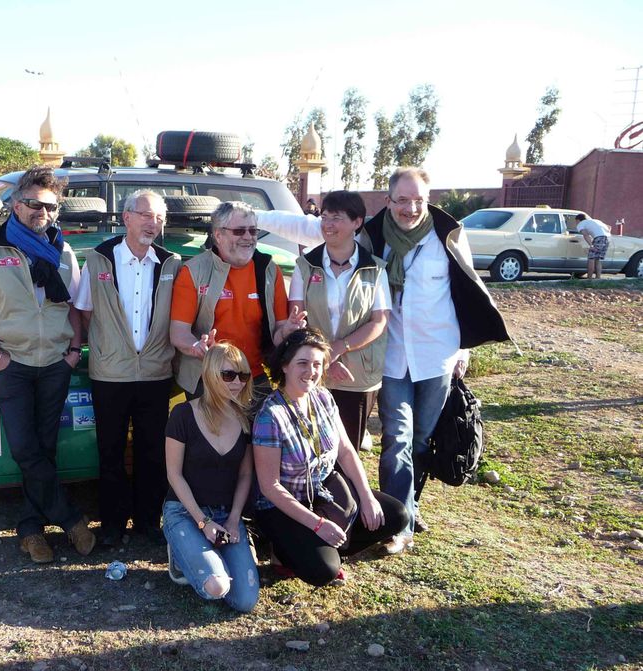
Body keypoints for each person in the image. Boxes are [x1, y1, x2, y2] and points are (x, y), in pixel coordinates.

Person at [358, 167, 509, 553]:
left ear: (428, 200)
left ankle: (411, 505)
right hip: (392, 354)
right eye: (403, 200)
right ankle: (397, 524)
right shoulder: (374, 237)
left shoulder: (448, 236)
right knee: (397, 439)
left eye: (418, 200)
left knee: (422, 439)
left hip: (437, 353)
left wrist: (464, 348)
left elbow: (466, 290)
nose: (410, 208)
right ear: (388, 201)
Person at [0, 166, 95, 563]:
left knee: (44, 450)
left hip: (54, 363)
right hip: (12, 364)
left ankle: (32, 531)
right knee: (24, 449)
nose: (42, 212)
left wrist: (74, 350)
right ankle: (71, 519)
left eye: (50, 206)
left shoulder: (63, 252)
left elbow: (73, 307)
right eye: (34, 203)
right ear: (17, 205)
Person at [252, 329, 410, 585]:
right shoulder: (271, 416)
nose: (311, 371)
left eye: (317, 364)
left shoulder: (323, 397)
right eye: (302, 363)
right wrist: (317, 525)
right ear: (285, 365)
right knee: (322, 572)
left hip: (325, 493)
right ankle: (284, 550)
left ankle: (321, 546)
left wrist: (367, 497)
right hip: (286, 505)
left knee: (396, 515)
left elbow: (346, 452)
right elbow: (270, 487)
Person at [74, 190, 181, 547]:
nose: (154, 224)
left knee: (153, 452)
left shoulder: (170, 263)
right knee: (111, 451)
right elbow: (84, 312)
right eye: (147, 216)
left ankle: (150, 522)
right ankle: (113, 525)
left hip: (155, 373)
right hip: (110, 374)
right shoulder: (99, 259)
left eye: (160, 218)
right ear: (127, 218)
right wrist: (105, 347)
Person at [258, 191, 390, 451]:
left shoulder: (374, 268)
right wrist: (325, 359)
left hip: (357, 373)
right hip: (312, 372)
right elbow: (298, 317)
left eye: (337, 218)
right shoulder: (305, 265)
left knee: (347, 449)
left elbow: (379, 321)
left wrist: (339, 348)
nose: (328, 225)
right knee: (310, 447)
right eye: (325, 217)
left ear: (357, 222)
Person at [170, 201, 306, 406]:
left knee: (257, 437)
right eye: (239, 231)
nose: (248, 237)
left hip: (255, 376)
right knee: (216, 437)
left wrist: (287, 330)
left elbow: (278, 332)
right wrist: (196, 347)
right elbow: (178, 333)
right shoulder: (193, 271)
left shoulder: (268, 270)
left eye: (253, 230)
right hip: (208, 376)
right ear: (218, 235)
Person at [162, 342, 259, 612]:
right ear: (210, 374)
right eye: (228, 375)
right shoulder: (182, 414)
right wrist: (203, 523)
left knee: (244, 601)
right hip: (185, 512)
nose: (237, 383)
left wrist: (234, 518)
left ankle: (207, 553)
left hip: (226, 514)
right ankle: (181, 552)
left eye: (243, 375)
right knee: (216, 587)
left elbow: (245, 474)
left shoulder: (245, 419)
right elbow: (174, 473)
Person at [575, 213, 609, 279]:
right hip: (607, 239)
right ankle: (598, 278)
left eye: (576, 222)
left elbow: (585, 234)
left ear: (578, 220)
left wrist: (591, 245)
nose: (576, 223)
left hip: (599, 238)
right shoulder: (596, 221)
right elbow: (609, 227)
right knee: (598, 259)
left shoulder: (581, 224)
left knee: (591, 258)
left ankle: (589, 279)